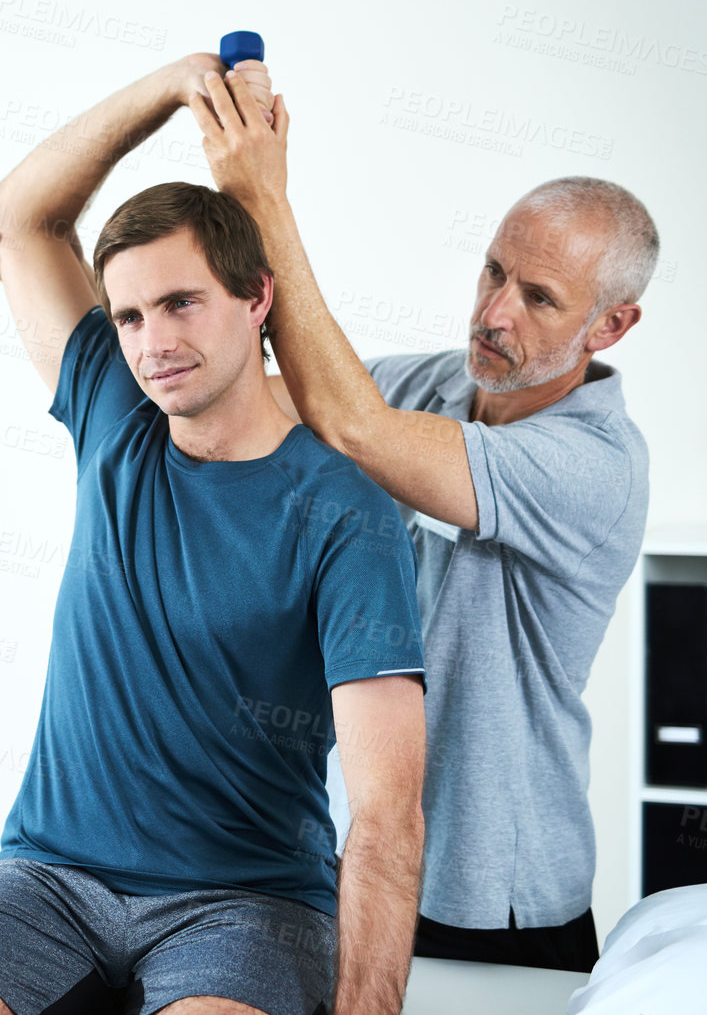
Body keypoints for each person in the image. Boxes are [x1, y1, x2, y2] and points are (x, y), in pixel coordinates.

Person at [0, 56, 428, 1015]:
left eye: (180, 303)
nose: (151, 341)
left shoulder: (349, 511)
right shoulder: (111, 412)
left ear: (257, 299)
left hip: (244, 899)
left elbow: (384, 812)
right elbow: (17, 216)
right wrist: (175, 86)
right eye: (127, 314)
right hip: (50, 875)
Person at [169, 63, 654, 972]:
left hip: (496, 899)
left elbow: (350, 423)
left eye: (539, 297)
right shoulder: (433, 385)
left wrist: (265, 197)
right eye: (493, 271)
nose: (494, 312)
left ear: (610, 325)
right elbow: (270, 398)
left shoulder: (597, 467)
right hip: (368, 865)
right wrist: (155, 327)